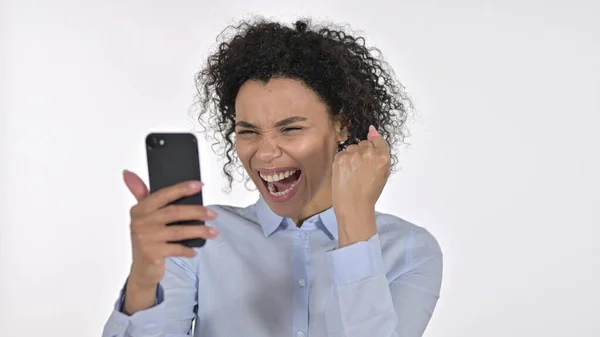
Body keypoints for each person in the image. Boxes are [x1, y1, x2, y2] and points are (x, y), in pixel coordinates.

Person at [102, 18, 443, 337]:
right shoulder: (197, 238)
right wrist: (145, 278)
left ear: (342, 125)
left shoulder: (410, 250)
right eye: (248, 131)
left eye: (291, 129)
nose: (265, 154)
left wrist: (355, 220)